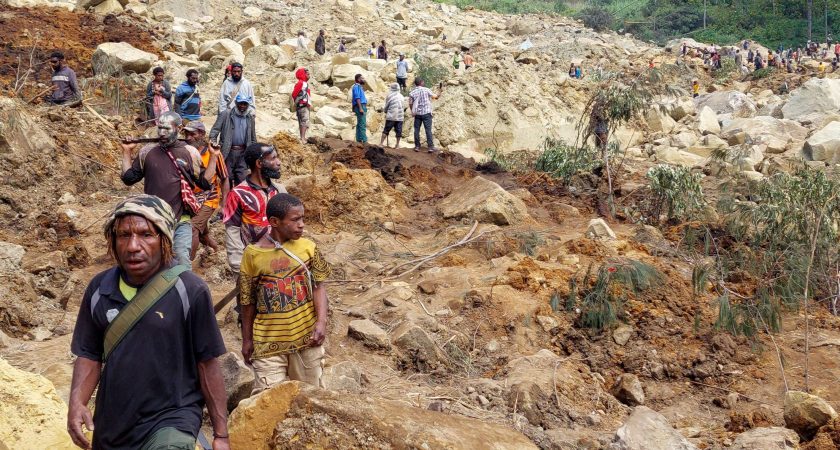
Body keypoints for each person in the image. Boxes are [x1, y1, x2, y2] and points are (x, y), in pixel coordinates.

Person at [68, 195, 229, 450]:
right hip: (113, 425)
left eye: (146, 235)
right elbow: (89, 354)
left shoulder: (190, 290)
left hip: (172, 419)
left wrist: (221, 435)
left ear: (165, 239)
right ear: (113, 240)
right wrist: (77, 403)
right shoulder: (99, 289)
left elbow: (207, 363)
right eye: (123, 235)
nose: (133, 246)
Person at [239, 193, 331, 392]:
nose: (302, 225)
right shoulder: (252, 255)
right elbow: (247, 301)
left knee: (311, 398)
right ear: (274, 222)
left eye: (302, 219)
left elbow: (318, 286)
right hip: (267, 344)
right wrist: (247, 339)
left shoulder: (308, 248)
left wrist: (321, 322)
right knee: (267, 402)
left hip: (306, 340)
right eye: (295, 219)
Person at [121, 112, 215, 267]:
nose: (162, 133)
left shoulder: (190, 153)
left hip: (180, 221)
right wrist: (126, 151)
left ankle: (184, 290)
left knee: (182, 262)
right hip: (153, 221)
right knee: (155, 263)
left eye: (167, 129)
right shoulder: (147, 151)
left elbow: (204, 182)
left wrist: (214, 157)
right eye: (160, 128)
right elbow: (128, 178)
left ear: (178, 128)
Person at [223, 143, 285, 272]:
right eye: (273, 158)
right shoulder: (237, 194)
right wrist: (238, 267)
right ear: (259, 163)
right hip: (253, 264)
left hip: (281, 260)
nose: (278, 162)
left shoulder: (280, 191)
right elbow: (232, 231)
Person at [184, 122, 227, 260]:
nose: (189, 137)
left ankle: (185, 267)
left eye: (193, 134)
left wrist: (224, 204)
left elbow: (225, 178)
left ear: (202, 134)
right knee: (202, 233)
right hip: (190, 198)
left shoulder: (213, 153)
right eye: (186, 134)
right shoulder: (185, 151)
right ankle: (215, 250)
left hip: (210, 197)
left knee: (193, 228)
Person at [210, 94, 256, 188]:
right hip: (228, 151)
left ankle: (238, 198)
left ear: (248, 105)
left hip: (243, 152)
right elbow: (215, 130)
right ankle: (228, 199)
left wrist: (254, 151)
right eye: (240, 104)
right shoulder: (226, 114)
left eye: (245, 104)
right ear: (236, 103)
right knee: (227, 177)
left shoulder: (250, 117)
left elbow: (253, 136)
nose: (242, 106)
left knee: (242, 177)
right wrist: (213, 142)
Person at [408, 77, 441, 153]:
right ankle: (430, 147)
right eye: (423, 81)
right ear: (421, 82)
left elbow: (410, 103)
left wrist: (413, 111)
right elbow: (435, 97)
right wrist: (440, 92)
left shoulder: (412, 92)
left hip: (417, 114)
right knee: (428, 130)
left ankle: (417, 146)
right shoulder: (426, 90)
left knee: (416, 130)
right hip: (426, 113)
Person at [380, 83, 405, 148]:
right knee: (398, 131)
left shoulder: (390, 96)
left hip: (391, 116)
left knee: (386, 130)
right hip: (400, 117)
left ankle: (381, 143)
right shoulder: (402, 96)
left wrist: (385, 111)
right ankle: (397, 145)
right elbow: (403, 106)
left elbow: (387, 105)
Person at [292, 67, 312, 144]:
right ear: (303, 74)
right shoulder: (301, 83)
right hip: (302, 105)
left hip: (303, 105)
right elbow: (294, 94)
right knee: (304, 121)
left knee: (302, 121)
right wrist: (300, 101)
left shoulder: (304, 83)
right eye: (307, 74)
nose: (309, 75)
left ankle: (302, 138)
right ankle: (303, 138)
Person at [351, 74, 368, 143]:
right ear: (358, 79)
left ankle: (359, 139)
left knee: (359, 123)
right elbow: (357, 98)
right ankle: (364, 140)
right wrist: (360, 108)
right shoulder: (356, 87)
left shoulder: (359, 87)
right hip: (360, 106)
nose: (363, 79)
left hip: (360, 106)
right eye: (362, 78)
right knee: (362, 123)